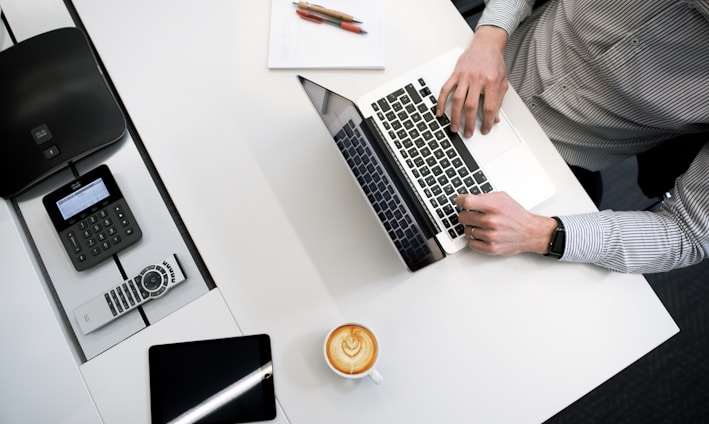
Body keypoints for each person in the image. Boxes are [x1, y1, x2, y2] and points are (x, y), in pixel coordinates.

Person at [437, 0, 709, 273]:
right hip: (476, 62)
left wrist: (540, 233)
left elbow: (688, 232)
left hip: (550, 165)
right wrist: (491, 35)